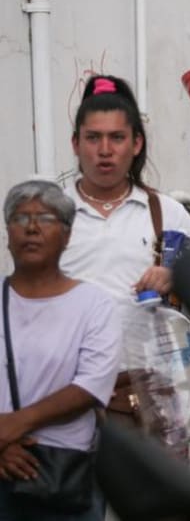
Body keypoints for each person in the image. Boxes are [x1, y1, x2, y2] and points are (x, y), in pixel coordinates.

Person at [59, 74, 190, 431]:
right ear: (76, 143)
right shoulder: (51, 213)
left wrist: (176, 278)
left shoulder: (168, 213)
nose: (104, 150)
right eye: (93, 138)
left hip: (151, 402)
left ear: (136, 143)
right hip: (63, 400)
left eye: (117, 138)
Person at [0, 180, 120, 520]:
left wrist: (15, 425)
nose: (32, 228)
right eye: (21, 218)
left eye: (46, 219)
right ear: (8, 232)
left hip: (65, 471)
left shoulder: (92, 304)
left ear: (67, 235)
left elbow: (91, 386)